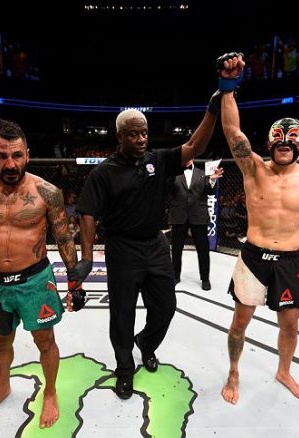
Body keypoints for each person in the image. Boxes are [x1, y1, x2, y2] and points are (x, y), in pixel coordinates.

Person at [76, 101, 220, 400]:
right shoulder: (104, 173)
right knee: (122, 313)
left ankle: (147, 343)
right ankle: (125, 369)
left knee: (166, 307)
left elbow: (194, 146)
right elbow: (87, 212)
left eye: (144, 133)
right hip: (122, 248)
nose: (141, 139)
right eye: (133, 135)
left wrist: (213, 110)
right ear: (120, 137)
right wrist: (87, 257)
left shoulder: (159, 159)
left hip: (155, 244)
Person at [0, 119, 91, 428]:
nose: (10, 163)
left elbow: (62, 237)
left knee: (45, 341)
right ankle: (2, 388)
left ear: (27, 154)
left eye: (16, 155)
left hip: (36, 280)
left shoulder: (46, 192)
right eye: (2, 155)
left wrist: (75, 281)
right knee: (0, 343)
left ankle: (50, 392)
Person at [217, 52, 299, 405]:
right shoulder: (254, 170)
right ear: (269, 143)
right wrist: (228, 86)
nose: (284, 144)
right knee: (239, 324)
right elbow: (232, 131)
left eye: (290, 140)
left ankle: (284, 371)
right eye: (278, 139)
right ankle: (234, 370)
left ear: (298, 144)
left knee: (290, 324)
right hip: (252, 257)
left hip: (290, 260)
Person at [168, 159, 223, 290]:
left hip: (198, 216)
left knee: (203, 250)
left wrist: (212, 180)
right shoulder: (173, 173)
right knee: (176, 250)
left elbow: (210, 191)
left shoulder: (203, 174)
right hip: (178, 216)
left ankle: (205, 279)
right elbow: (168, 190)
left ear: (192, 157)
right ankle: (175, 276)